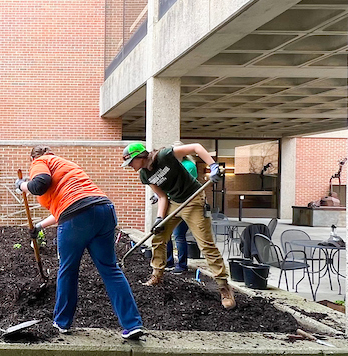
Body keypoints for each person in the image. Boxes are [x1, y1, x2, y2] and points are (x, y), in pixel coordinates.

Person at [18, 146, 144, 341]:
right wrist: (39, 226)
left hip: (77, 218)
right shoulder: (67, 166)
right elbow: (69, 205)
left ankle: (62, 322)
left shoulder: (40, 162)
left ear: (34, 157)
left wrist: (23, 185)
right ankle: (132, 324)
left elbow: (40, 183)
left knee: (68, 270)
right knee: (111, 269)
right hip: (103, 210)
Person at [122, 141, 236, 310]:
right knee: (158, 237)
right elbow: (162, 197)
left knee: (206, 245)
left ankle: (224, 287)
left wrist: (213, 166)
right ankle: (157, 275)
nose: (130, 166)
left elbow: (196, 147)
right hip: (174, 203)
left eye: (131, 162)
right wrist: (159, 219)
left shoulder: (164, 155)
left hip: (194, 199)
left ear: (140, 156)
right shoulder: (144, 175)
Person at [164, 157, 199, 273]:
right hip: (170, 205)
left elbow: (181, 186)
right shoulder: (171, 165)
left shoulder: (189, 165)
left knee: (178, 235)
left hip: (183, 205)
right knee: (166, 234)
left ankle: (182, 265)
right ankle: (168, 262)